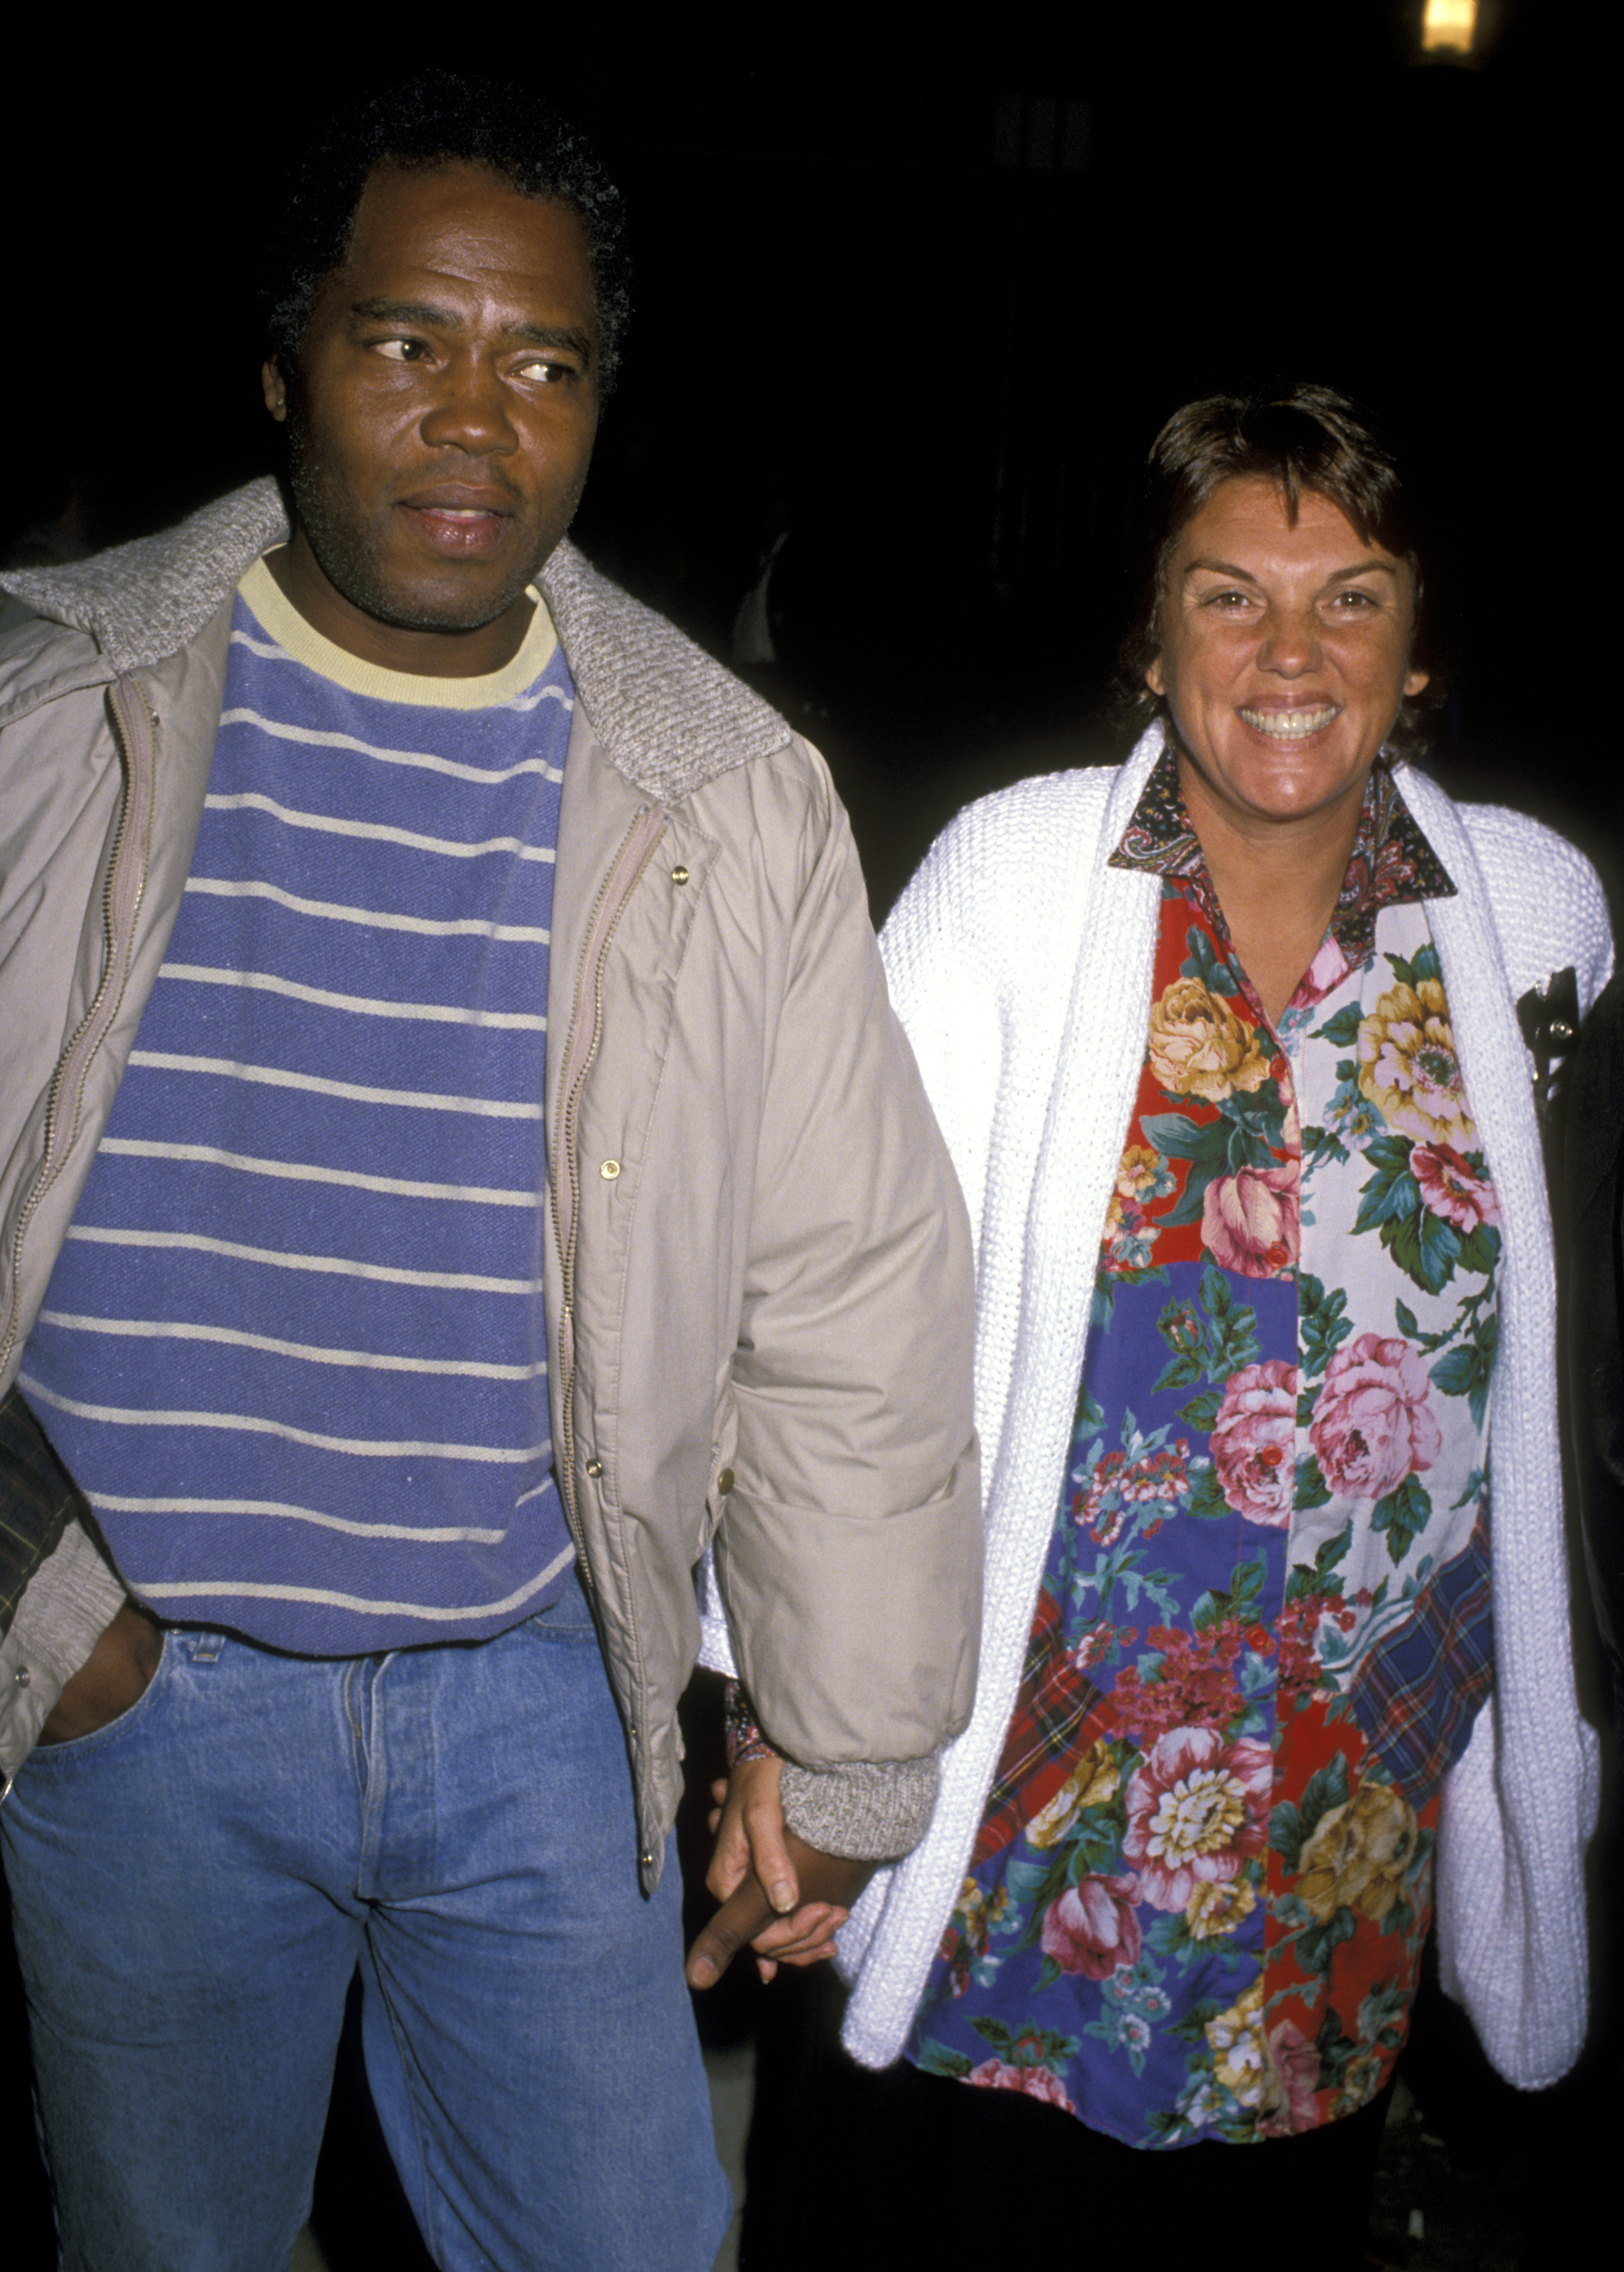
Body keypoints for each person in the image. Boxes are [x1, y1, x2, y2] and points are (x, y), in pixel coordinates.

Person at [0, 72, 981, 2272]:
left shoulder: (722, 798)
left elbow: (842, 1300)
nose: (476, 418)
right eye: (405, 343)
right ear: (284, 371)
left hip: (542, 1702)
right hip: (138, 1702)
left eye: (542, 361)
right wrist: (36, 1602)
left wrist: (837, 1757)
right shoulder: (52, 714)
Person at [719, 385, 1610, 2266]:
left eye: (1348, 597)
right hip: (1020, 1806)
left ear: (1417, 638)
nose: (1289, 654)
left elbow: (1561, 1385)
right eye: (1227, 596)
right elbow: (821, 1313)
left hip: (1332, 1831)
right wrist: (791, 1717)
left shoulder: (1531, 918)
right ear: (1149, 637)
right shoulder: (1013, 883)